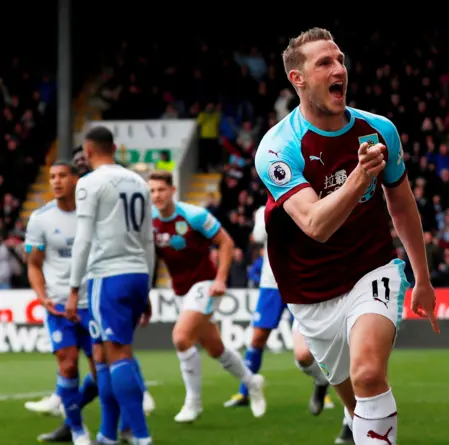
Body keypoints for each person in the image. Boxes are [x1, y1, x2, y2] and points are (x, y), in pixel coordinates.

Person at [255, 28, 438, 445]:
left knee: (369, 373)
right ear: (297, 78)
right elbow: (316, 225)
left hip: (371, 268)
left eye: (339, 59)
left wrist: (422, 278)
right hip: (309, 288)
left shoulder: (379, 130)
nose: (339, 69)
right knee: (357, 407)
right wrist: (360, 176)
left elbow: (402, 205)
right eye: (324, 63)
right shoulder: (277, 148)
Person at [148, 170, 266, 422]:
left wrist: (221, 279)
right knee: (215, 348)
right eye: (152, 191)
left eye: (161, 189)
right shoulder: (150, 222)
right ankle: (252, 381)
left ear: (172, 190)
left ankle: (194, 403)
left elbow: (226, 243)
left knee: (181, 338)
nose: (157, 195)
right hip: (180, 290)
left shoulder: (193, 215)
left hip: (206, 284)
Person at [67, 126, 155, 445]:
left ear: (88, 152)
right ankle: (107, 433)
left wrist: (74, 288)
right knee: (102, 354)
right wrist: (147, 287)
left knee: (116, 354)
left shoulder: (89, 183)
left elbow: (84, 238)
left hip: (107, 275)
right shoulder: (139, 182)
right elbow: (148, 239)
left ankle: (142, 436)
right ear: (114, 148)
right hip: (136, 274)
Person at [225, 205, 334, 412]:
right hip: (271, 283)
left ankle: (324, 390)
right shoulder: (261, 211)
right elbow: (258, 236)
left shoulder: (307, 201)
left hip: (302, 282)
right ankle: (245, 391)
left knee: (310, 344)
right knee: (257, 338)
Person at [24, 161, 96, 445]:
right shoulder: (40, 219)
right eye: (52, 176)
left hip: (92, 303)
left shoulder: (92, 217)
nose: (56, 181)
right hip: (58, 305)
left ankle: (69, 416)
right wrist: (43, 298)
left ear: (76, 180)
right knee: (67, 366)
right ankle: (78, 431)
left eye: (62, 176)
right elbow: (34, 265)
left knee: (100, 374)